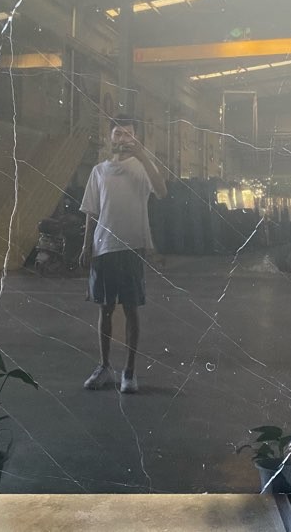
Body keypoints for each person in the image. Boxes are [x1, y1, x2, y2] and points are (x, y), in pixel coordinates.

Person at [79, 117, 167, 394]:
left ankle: (129, 371)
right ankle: (104, 367)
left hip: (132, 247)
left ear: (136, 138)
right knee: (105, 309)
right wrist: (86, 246)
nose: (123, 138)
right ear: (110, 138)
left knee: (131, 309)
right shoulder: (98, 171)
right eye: (118, 133)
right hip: (103, 247)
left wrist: (143, 156)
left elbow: (162, 191)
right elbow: (91, 211)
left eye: (129, 134)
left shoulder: (142, 168)